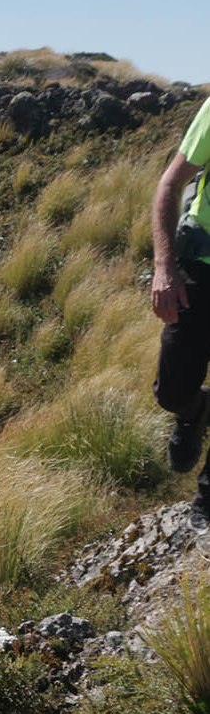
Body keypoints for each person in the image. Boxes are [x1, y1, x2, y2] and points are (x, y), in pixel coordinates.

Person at [153, 95, 210, 518]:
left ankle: (207, 501)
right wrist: (164, 268)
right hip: (199, 264)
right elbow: (169, 185)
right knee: (172, 390)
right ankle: (195, 411)